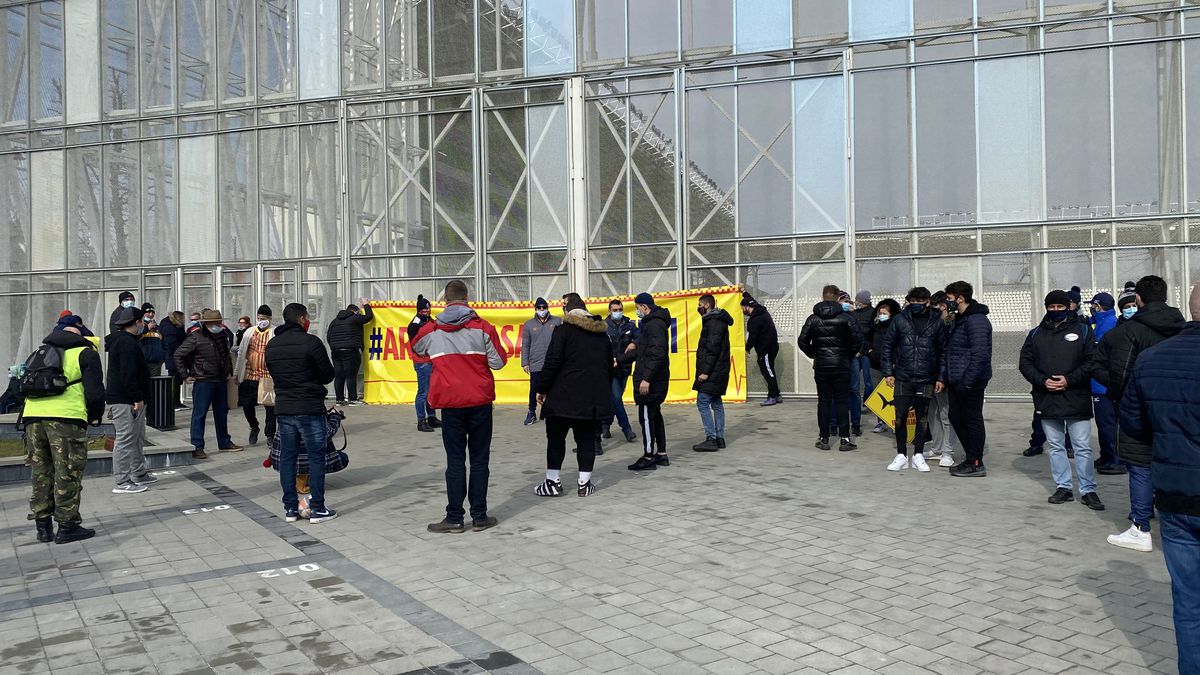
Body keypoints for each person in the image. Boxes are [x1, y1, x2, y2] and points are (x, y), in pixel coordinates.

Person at [1119, 282, 1200, 673]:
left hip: (1175, 498)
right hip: (1178, 496)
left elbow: (1134, 423)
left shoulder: (1152, 360)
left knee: (1188, 603)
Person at [1095, 275, 1186, 552]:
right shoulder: (1181, 328)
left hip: (1138, 407)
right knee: (1173, 461)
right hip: (1176, 407)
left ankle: (1140, 526)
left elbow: (1119, 374)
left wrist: (1117, 396)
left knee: (1140, 466)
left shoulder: (1128, 332)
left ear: (1137, 299)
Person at [414, 280, 507, 534]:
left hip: (451, 405)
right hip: (479, 403)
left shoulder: (432, 330)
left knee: (455, 461)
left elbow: (415, 349)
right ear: (467, 299)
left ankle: (454, 517)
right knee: (479, 461)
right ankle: (479, 516)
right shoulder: (483, 328)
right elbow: (499, 363)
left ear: (444, 300)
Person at [23, 317, 106, 544]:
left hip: (33, 418)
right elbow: (95, 392)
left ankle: (43, 528)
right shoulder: (85, 353)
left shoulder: (41, 351)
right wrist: (94, 415)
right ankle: (67, 527)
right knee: (67, 471)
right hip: (66, 419)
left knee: (41, 473)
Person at [1019, 290, 1104, 510]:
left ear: (1069, 306)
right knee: (1055, 446)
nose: (1056, 311)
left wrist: (1068, 380)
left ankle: (1088, 489)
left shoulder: (1084, 330)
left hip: (1076, 396)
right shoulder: (1036, 334)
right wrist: (1042, 381)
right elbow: (1025, 363)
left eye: (1060, 306)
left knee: (1082, 447)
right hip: (1047, 397)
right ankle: (1063, 487)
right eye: (1052, 307)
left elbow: (1092, 361)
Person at [533, 293, 613, 497]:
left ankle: (552, 482)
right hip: (590, 399)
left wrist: (541, 389)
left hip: (562, 397)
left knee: (556, 439)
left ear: (568, 312)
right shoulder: (602, 335)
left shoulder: (563, 331)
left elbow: (552, 363)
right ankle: (584, 484)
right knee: (586, 440)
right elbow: (608, 368)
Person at [265, 303, 338, 524]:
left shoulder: (272, 345)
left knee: (288, 457)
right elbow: (327, 375)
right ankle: (317, 508)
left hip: (285, 407)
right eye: (307, 317)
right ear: (301, 319)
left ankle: (290, 508)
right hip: (309, 406)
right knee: (316, 457)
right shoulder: (311, 342)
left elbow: (274, 373)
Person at [881, 288, 943, 473]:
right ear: (908, 300)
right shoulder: (899, 320)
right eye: (913, 300)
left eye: (921, 300)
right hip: (902, 376)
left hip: (926, 378)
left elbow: (942, 351)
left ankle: (918, 454)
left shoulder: (936, 321)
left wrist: (941, 377)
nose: (917, 303)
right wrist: (888, 372)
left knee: (922, 418)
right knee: (899, 417)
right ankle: (901, 455)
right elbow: (887, 347)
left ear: (927, 301)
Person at [798, 285, 863, 452]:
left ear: (823, 297)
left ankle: (824, 438)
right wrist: (848, 353)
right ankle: (845, 439)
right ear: (837, 298)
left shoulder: (813, 319)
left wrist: (815, 354)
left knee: (824, 401)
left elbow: (802, 341)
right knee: (842, 401)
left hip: (822, 366)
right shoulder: (846, 318)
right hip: (842, 365)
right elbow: (858, 340)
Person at [174, 309, 241, 459]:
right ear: (208, 323)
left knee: (222, 412)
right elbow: (178, 354)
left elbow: (226, 355)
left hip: (220, 379)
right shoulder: (196, 337)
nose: (219, 325)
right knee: (200, 414)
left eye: (220, 322)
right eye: (216, 323)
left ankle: (224, 442)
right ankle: (197, 446)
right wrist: (185, 375)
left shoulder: (223, 335)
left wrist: (228, 371)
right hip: (203, 381)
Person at [942, 280, 992, 478]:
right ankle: (971, 457)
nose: (947, 302)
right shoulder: (959, 319)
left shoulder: (976, 321)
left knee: (972, 419)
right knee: (956, 416)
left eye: (950, 298)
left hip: (969, 381)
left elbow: (980, 355)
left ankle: (976, 461)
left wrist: (968, 381)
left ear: (960, 298)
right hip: (957, 379)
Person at [620, 292, 672, 471]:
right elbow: (642, 351)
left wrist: (646, 379)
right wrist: (619, 359)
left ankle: (649, 455)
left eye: (637, 308)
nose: (637, 311)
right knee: (655, 415)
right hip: (654, 378)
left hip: (651, 380)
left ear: (644, 307)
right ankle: (661, 454)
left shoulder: (654, 324)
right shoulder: (651, 324)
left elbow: (657, 353)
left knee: (647, 418)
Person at [105, 306, 154, 495]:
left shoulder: (128, 341)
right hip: (124, 399)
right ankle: (122, 480)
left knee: (136, 436)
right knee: (125, 438)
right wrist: (137, 397)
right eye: (142, 321)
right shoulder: (125, 343)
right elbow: (128, 373)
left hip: (129, 398)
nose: (144, 324)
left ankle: (138, 472)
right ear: (136, 323)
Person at [692, 294, 734, 452]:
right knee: (716, 402)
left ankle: (711, 438)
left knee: (702, 402)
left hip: (713, 371)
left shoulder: (714, 322)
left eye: (700, 305)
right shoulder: (717, 320)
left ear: (706, 305)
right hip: (719, 370)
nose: (699, 308)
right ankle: (719, 437)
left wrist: (705, 372)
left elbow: (712, 349)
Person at [1088, 292, 1123, 475]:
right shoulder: (1102, 322)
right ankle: (1107, 455)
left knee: (1108, 423)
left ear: (1098, 306)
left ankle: (1115, 459)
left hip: (1103, 384)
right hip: (1099, 382)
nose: (1092, 308)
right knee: (1103, 423)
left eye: (1094, 305)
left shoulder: (1108, 325)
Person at [234, 305, 276, 446]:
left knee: (270, 407)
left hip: (267, 375)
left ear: (269, 319)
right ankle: (254, 426)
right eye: (258, 318)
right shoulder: (249, 332)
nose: (260, 321)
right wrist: (236, 373)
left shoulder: (274, 332)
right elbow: (241, 353)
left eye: (263, 319)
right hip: (249, 374)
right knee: (246, 404)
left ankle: (270, 434)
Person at [926, 291, 959, 467]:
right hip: (930, 374)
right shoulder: (934, 323)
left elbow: (946, 352)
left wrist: (942, 377)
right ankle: (937, 448)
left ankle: (948, 451)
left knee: (946, 415)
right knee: (933, 413)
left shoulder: (950, 323)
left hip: (943, 375)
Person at [858, 298, 899, 435]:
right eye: (880, 313)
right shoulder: (874, 327)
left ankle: (894, 422)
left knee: (894, 396)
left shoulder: (896, 327)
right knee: (879, 393)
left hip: (892, 366)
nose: (882, 315)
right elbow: (866, 340)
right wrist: (870, 351)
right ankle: (880, 421)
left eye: (885, 313)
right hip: (876, 364)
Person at [326, 298, 374, 406]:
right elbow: (369, 317)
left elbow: (328, 336)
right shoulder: (354, 318)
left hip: (336, 351)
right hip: (350, 350)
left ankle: (339, 400)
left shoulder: (335, 321)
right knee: (351, 375)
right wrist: (366, 305)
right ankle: (352, 399)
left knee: (339, 376)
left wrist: (335, 346)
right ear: (355, 312)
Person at [521, 297, 562, 426]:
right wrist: (525, 362)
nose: (542, 310)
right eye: (539, 308)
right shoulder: (529, 324)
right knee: (534, 389)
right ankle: (531, 412)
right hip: (536, 363)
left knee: (554, 388)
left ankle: (553, 411)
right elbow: (525, 345)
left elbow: (563, 341)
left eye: (544, 307)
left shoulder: (557, 321)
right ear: (536, 309)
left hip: (553, 362)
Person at [603, 299, 639, 443]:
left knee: (613, 399)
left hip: (624, 368)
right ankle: (627, 429)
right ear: (609, 311)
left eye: (620, 309)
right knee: (616, 398)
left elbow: (640, 337)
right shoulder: (604, 326)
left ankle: (605, 425)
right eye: (615, 310)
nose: (618, 312)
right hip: (609, 369)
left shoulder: (629, 325)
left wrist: (634, 343)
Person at [741, 292, 781, 406]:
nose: (742, 311)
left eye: (743, 308)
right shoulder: (762, 311)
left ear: (748, 307)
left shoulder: (754, 320)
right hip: (772, 347)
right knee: (770, 370)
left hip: (766, 349)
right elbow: (753, 301)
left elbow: (752, 337)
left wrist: (747, 348)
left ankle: (772, 396)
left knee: (768, 372)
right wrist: (744, 292)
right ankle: (776, 394)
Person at [407, 295, 441, 432]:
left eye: (428, 309)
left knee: (431, 391)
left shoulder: (428, 321)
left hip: (431, 360)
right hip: (422, 362)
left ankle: (431, 417)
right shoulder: (415, 324)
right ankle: (421, 420)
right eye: (424, 310)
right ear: (419, 310)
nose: (427, 311)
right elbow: (416, 345)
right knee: (423, 392)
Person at [852, 290, 876, 419]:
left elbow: (871, 334)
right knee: (855, 381)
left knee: (868, 380)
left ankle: (867, 403)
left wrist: (866, 349)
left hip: (866, 352)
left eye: (857, 300)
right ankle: (856, 404)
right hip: (856, 352)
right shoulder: (854, 314)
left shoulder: (873, 314)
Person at [161, 311, 187, 411]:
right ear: (178, 318)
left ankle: (177, 401)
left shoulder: (176, 327)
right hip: (173, 357)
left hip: (177, 357)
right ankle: (173, 402)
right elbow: (171, 344)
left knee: (178, 380)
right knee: (174, 381)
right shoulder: (170, 328)